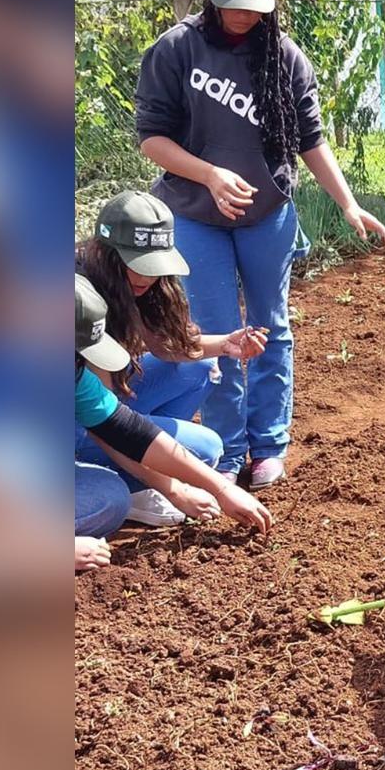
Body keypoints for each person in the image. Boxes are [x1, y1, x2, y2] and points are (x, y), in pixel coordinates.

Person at [134, 0, 385, 489]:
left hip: (267, 218)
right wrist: (209, 175)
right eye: (233, 5)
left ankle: (269, 444)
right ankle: (228, 452)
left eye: (255, 7)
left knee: (272, 329)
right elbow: (151, 139)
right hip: (195, 217)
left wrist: (347, 203)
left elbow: (310, 140)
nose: (243, 16)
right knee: (219, 333)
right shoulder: (176, 50)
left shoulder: (284, 57)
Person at [77, 189, 269, 525]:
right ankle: (122, 479)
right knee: (112, 497)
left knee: (199, 388)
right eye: (137, 265)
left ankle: (137, 477)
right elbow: (107, 427)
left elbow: (170, 348)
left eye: (153, 264)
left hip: (90, 410)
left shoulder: (141, 287)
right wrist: (174, 487)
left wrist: (225, 344)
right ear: (106, 254)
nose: (147, 277)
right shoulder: (79, 306)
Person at [75, 274, 271, 572]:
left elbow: (124, 429)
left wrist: (220, 489)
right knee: (107, 503)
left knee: (112, 496)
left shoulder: (72, 376)